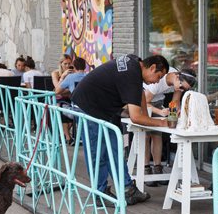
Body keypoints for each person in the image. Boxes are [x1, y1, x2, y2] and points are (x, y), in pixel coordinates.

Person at [71, 54, 169, 205]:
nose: (157, 81)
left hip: (102, 109)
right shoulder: (132, 74)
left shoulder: (134, 63)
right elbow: (136, 117)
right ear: (152, 67)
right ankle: (100, 194)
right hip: (87, 107)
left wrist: (146, 116)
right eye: (158, 76)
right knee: (98, 153)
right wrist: (161, 124)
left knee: (114, 149)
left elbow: (140, 94)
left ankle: (127, 189)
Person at [143, 68, 196, 186]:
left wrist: (177, 111)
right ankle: (146, 169)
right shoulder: (159, 79)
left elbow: (175, 102)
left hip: (157, 101)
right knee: (145, 134)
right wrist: (161, 112)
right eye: (181, 87)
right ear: (177, 77)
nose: (180, 90)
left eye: (184, 89)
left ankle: (157, 168)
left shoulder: (179, 80)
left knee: (158, 134)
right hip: (144, 99)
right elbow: (144, 102)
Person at [55, 57, 88, 145]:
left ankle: (66, 136)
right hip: (89, 109)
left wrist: (62, 77)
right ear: (85, 67)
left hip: (76, 110)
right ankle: (69, 136)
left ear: (73, 66)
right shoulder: (89, 76)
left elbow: (57, 91)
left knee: (60, 107)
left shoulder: (70, 77)